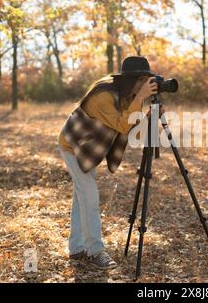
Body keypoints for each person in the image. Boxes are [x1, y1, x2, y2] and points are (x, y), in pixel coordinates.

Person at [57, 56, 163, 270]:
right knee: (89, 195)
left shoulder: (127, 97)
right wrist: (140, 99)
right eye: (141, 80)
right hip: (73, 145)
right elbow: (122, 125)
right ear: (129, 79)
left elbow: (131, 126)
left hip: (90, 148)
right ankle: (95, 251)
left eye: (147, 80)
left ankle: (76, 248)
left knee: (82, 197)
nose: (145, 85)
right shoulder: (104, 95)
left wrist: (150, 117)